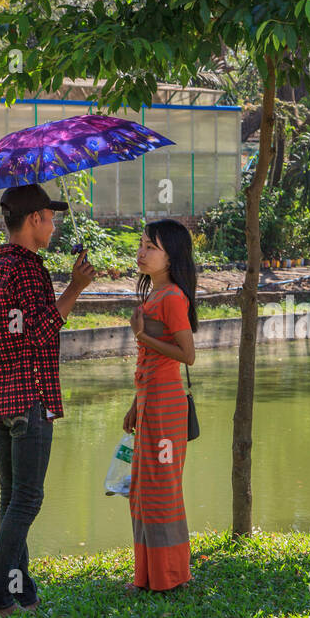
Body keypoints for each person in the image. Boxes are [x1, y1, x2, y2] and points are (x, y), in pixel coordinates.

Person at [0, 183, 96, 617]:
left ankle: (22, 589)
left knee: (11, 499)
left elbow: (2, 335)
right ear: (32, 221)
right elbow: (40, 331)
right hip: (28, 398)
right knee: (27, 500)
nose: (53, 224)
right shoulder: (28, 270)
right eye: (49, 216)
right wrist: (75, 288)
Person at [122, 219, 198, 594]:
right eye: (141, 244)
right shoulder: (153, 296)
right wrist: (136, 405)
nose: (141, 252)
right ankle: (148, 576)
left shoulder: (172, 298)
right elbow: (150, 364)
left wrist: (140, 336)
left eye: (151, 247)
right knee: (141, 489)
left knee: (161, 488)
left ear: (171, 258)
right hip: (150, 404)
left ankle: (171, 576)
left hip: (167, 408)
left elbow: (187, 355)